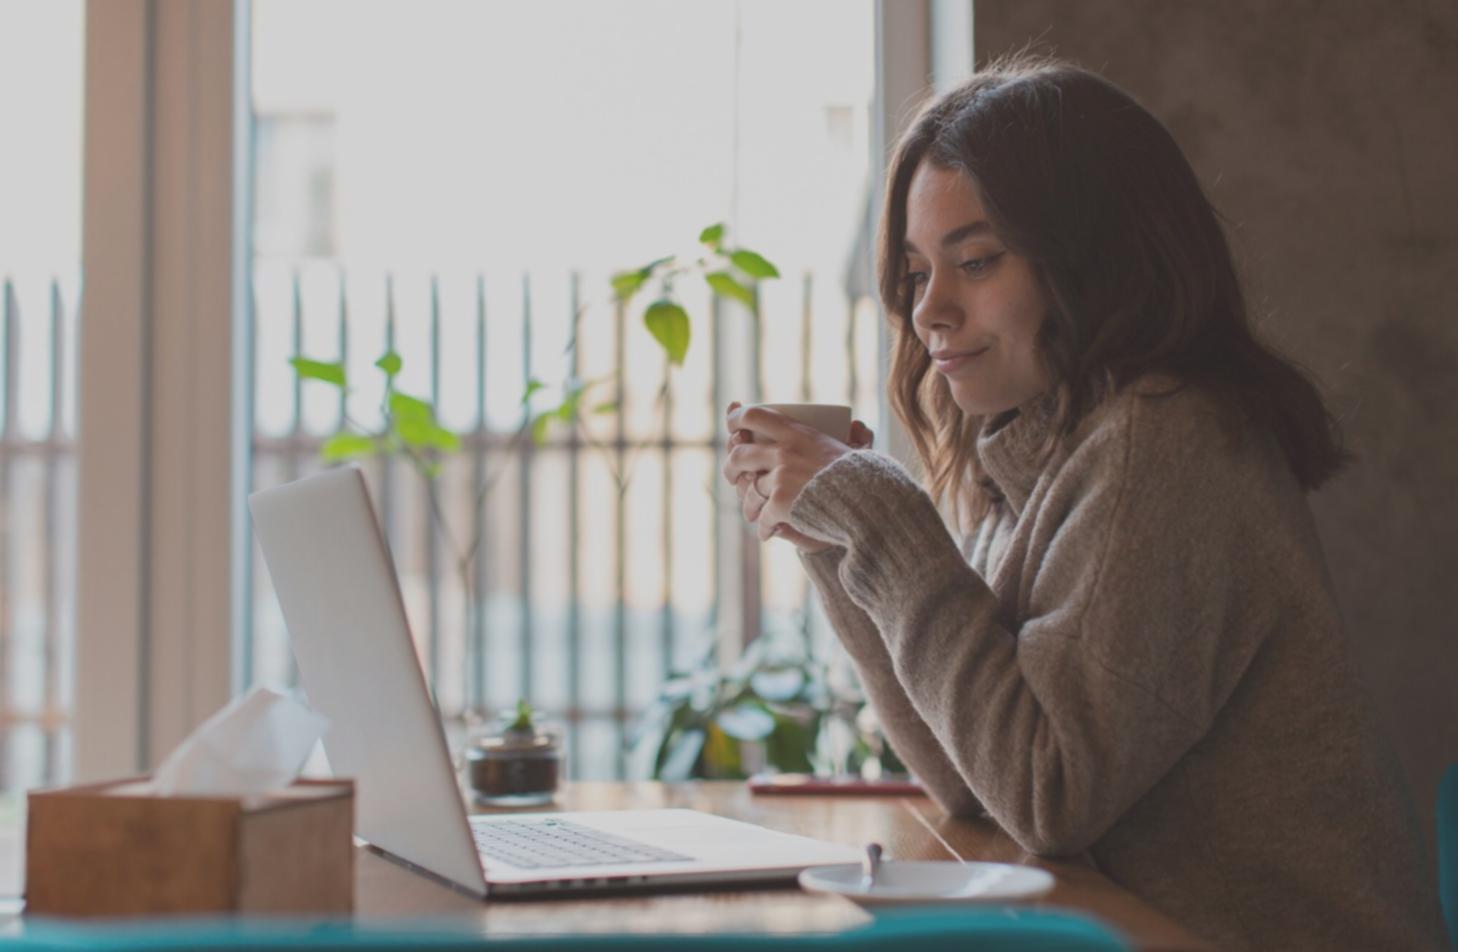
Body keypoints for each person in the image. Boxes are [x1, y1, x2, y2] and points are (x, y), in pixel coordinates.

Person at [722, 55, 1444, 951]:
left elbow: (1045, 791)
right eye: (915, 274)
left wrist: (881, 519)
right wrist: (836, 539)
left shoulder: (1165, 442)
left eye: (974, 261)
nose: (929, 311)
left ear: (1095, 261)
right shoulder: (1038, 455)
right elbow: (972, 778)